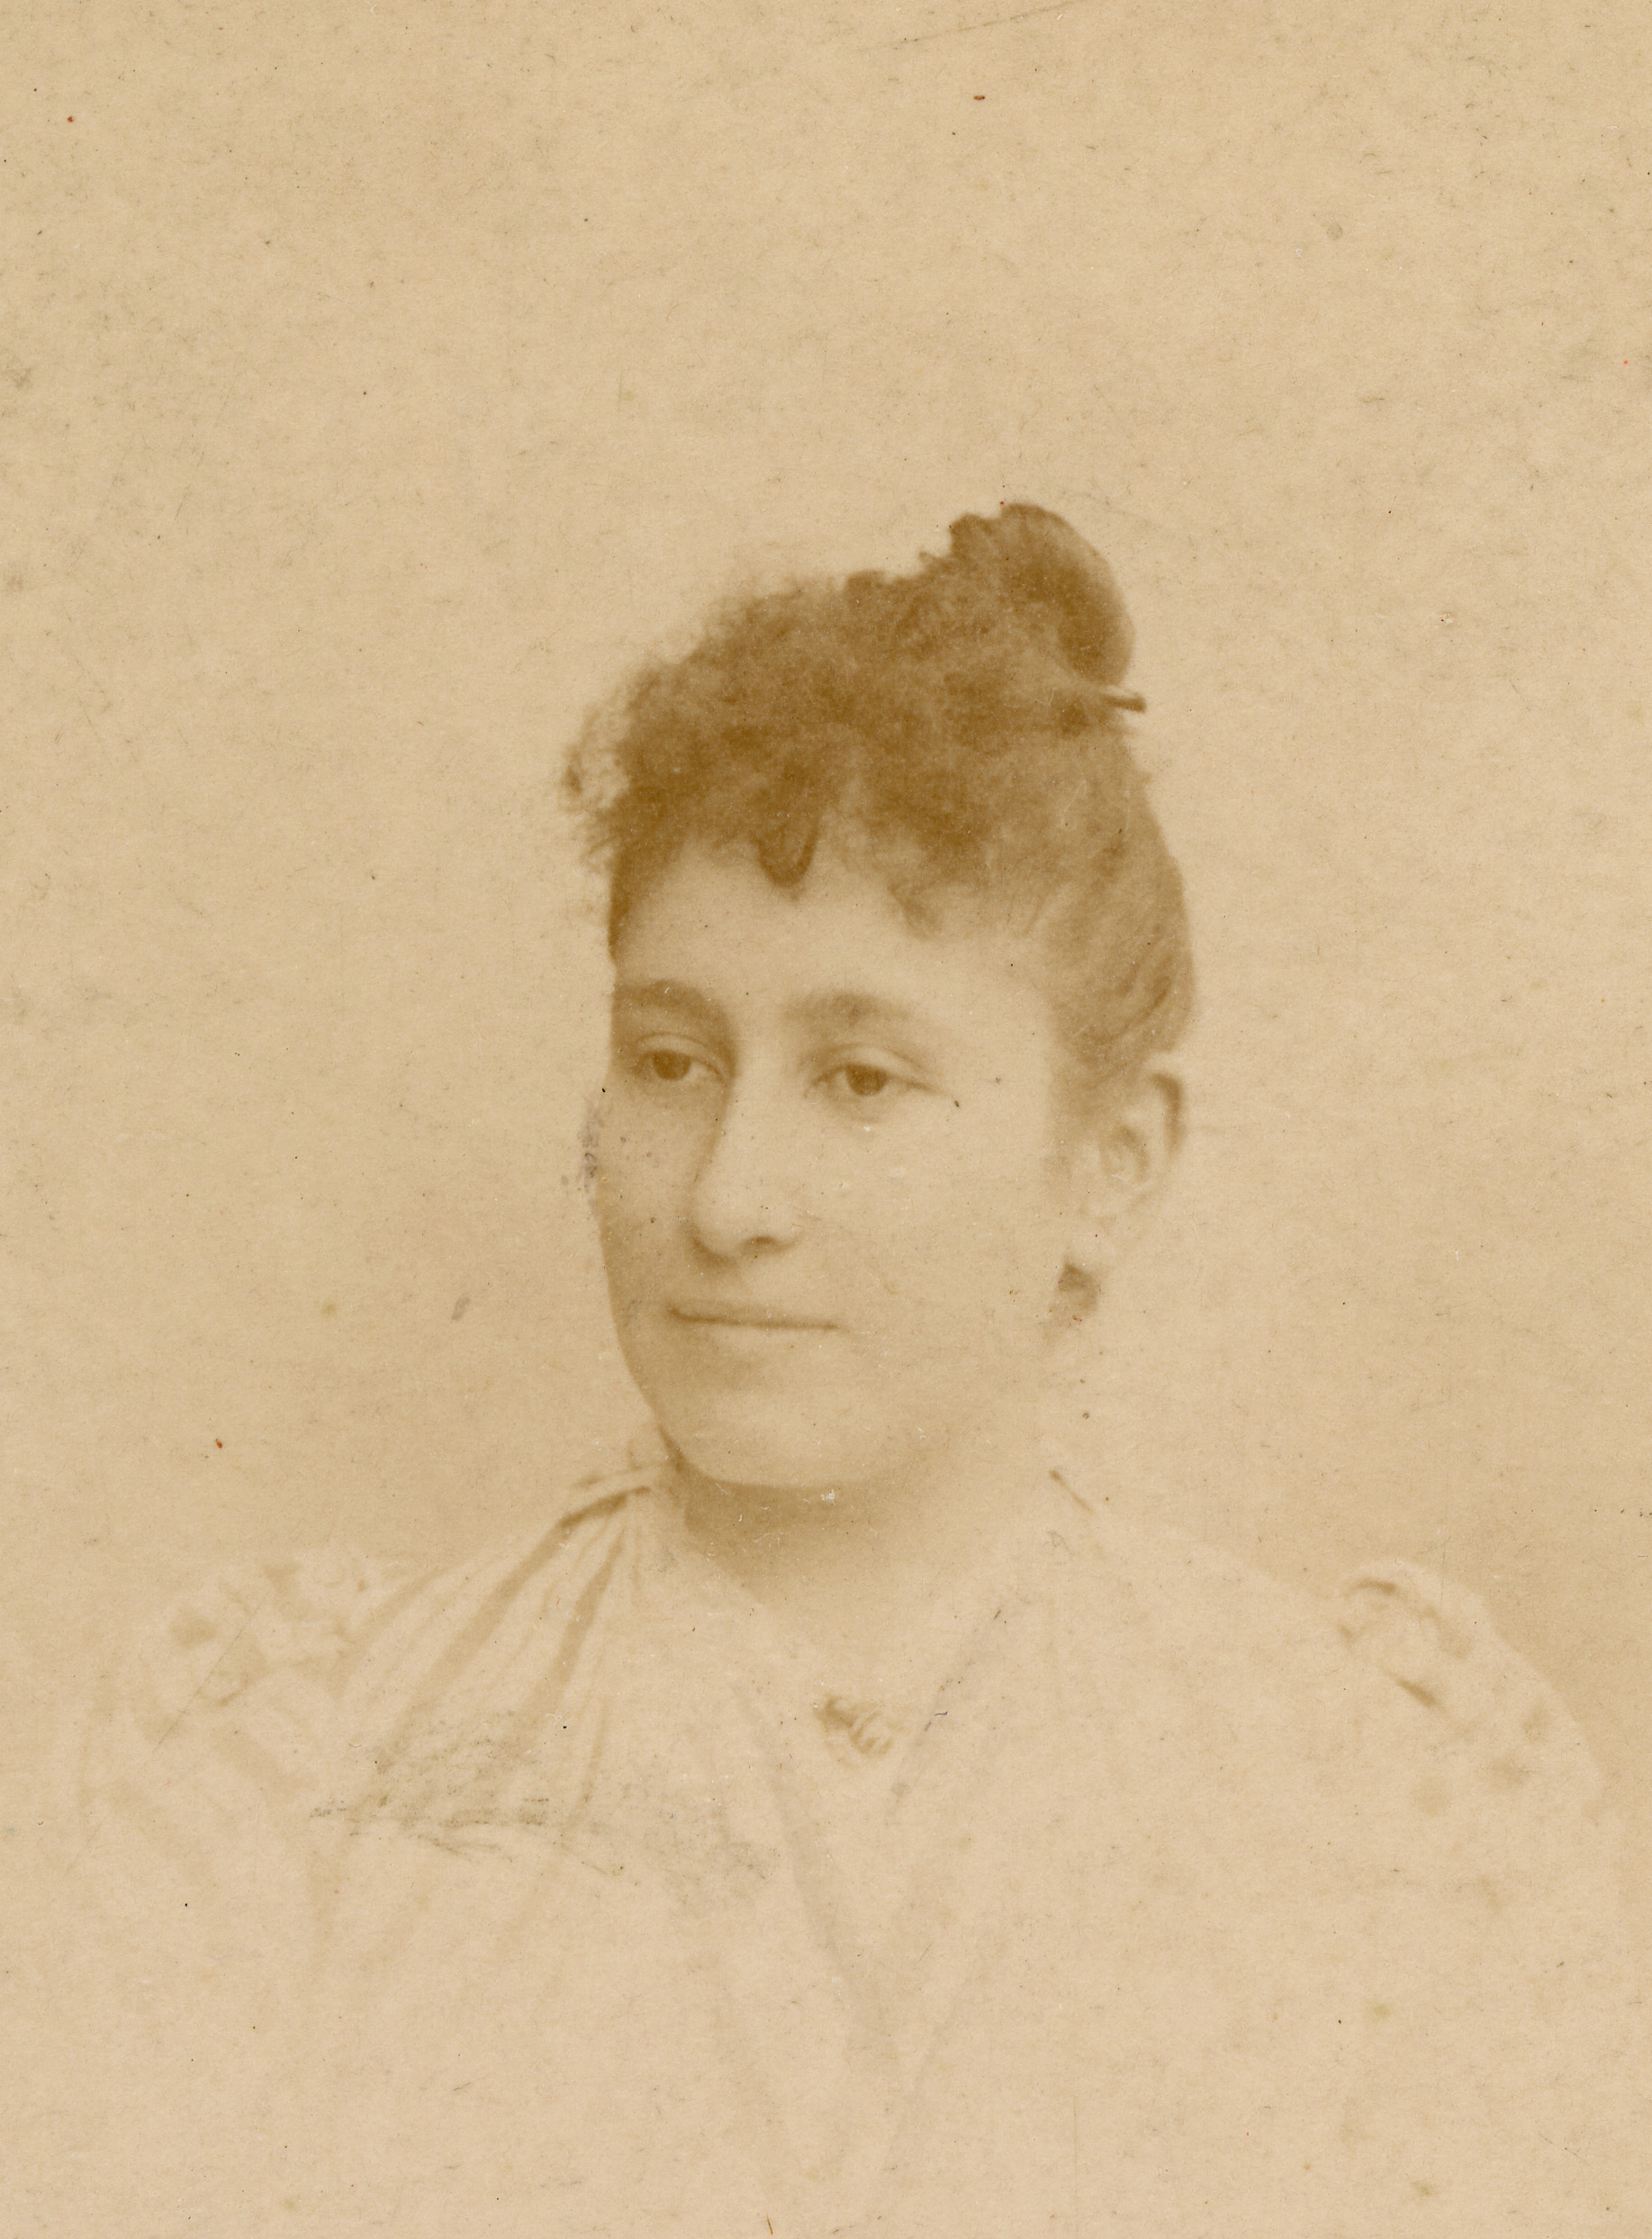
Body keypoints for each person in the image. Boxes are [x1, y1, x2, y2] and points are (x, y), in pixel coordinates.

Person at [33, 508, 1647, 2234]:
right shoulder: (294, 1769)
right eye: (670, 1062)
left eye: (863, 1081)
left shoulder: (1375, 1799)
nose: (727, 1201)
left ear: (1111, 1165)